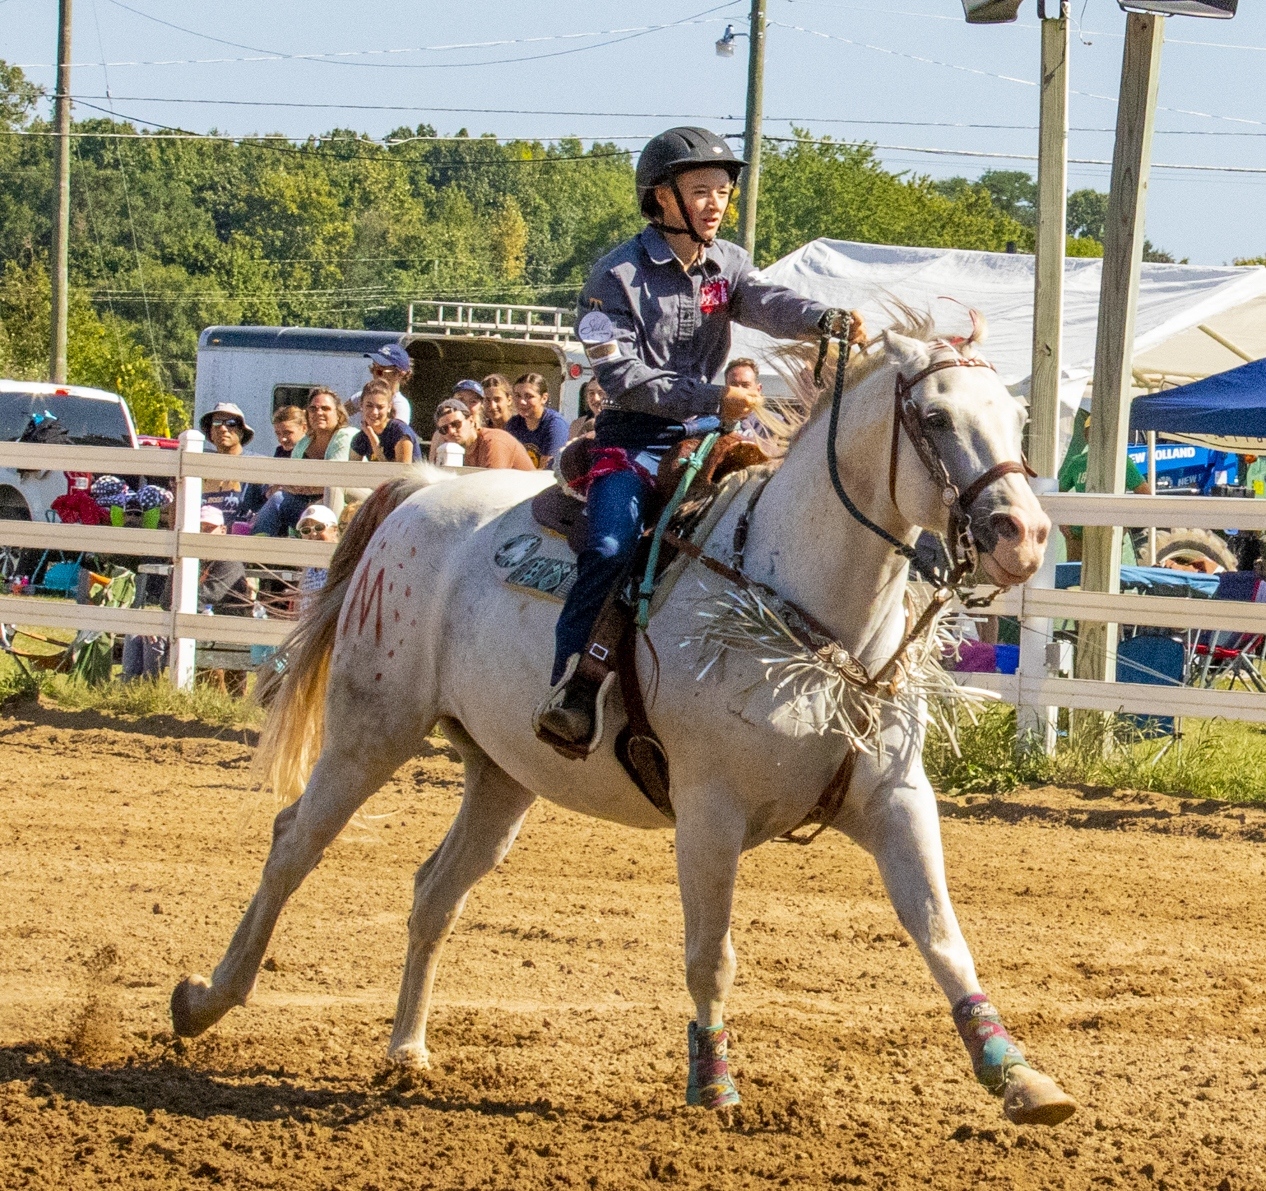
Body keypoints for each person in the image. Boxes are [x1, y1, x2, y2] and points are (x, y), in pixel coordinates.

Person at [535, 125, 866, 747]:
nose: (716, 204)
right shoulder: (612, 277)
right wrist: (714, 397)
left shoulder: (729, 263)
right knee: (608, 547)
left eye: (722, 191)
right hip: (634, 441)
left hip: (712, 437)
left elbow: (768, 302)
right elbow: (621, 377)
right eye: (701, 191)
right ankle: (571, 688)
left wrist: (823, 319)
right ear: (662, 197)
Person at [254, 389, 356, 536]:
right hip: (307, 504)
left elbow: (336, 478)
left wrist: (306, 488)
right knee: (277, 499)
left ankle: (333, 542)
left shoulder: (346, 436)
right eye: (313, 408)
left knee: (331, 488)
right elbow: (292, 480)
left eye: (325, 408)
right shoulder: (303, 443)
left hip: (346, 505)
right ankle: (258, 545)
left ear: (338, 413)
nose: (318, 412)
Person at [1058, 418, 1151, 562]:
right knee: (1074, 574)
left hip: (1109, 533)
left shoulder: (1120, 462)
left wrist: (1126, 524)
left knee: (1107, 573)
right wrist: (1063, 521)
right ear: (1086, 435)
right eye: (1091, 432)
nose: (1096, 437)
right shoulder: (1077, 462)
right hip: (1078, 535)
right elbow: (1059, 492)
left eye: (1100, 433)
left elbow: (1144, 494)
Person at [240, 405, 307, 521]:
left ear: (304, 428)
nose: (282, 439)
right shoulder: (280, 451)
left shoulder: (310, 451)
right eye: (278, 434)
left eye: (288, 433)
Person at [433, 397, 535, 471]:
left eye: (456, 424)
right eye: (444, 429)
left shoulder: (494, 442)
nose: (451, 431)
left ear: (471, 421)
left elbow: (493, 486)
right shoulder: (453, 451)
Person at [198, 403, 254, 525]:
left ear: (241, 431)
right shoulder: (200, 463)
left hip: (240, 533)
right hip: (204, 532)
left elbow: (273, 496)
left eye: (231, 423)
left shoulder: (256, 463)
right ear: (210, 432)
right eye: (216, 423)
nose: (223, 428)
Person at [350, 379, 423, 462]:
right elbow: (351, 468)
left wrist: (375, 445)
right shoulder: (361, 437)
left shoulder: (400, 432)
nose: (374, 412)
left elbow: (401, 469)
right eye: (369, 406)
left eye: (380, 407)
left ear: (389, 407)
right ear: (361, 406)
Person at [506, 373, 569, 469]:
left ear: (544, 398)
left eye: (529, 396)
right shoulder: (514, 424)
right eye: (518, 396)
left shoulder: (555, 425)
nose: (522, 401)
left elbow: (547, 470)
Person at [347, 343, 413, 427]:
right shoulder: (362, 396)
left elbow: (397, 434)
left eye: (380, 371)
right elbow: (338, 416)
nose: (375, 375)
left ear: (399, 374)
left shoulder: (400, 405)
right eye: (373, 368)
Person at [295, 503, 339, 613]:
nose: (313, 534)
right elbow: (297, 607)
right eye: (306, 530)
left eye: (319, 527)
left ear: (334, 530)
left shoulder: (340, 563)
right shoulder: (308, 568)